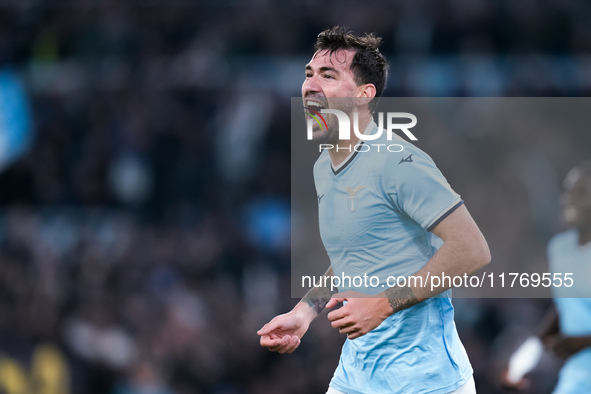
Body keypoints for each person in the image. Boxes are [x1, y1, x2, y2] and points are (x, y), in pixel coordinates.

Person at [257, 26, 490, 394]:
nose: (310, 86)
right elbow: (357, 255)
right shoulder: (324, 167)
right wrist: (304, 313)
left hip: (427, 382)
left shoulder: (400, 162)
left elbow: (472, 250)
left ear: (364, 95)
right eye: (309, 74)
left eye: (328, 75)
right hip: (356, 377)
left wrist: (382, 305)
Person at [503, 161, 591, 393]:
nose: (569, 199)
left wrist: (582, 341)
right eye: (567, 191)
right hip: (577, 375)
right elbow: (567, 305)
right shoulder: (559, 249)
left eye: (581, 192)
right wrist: (529, 352)